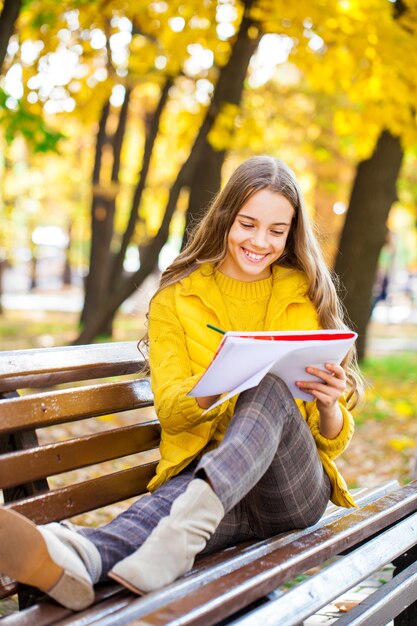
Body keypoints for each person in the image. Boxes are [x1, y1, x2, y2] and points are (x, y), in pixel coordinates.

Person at [0, 156, 363, 611]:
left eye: (276, 230)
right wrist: (223, 378)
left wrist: (330, 407)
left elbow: (329, 442)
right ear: (226, 217)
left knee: (265, 387)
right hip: (210, 484)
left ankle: (181, 523)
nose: (259, 241)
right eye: (248, 223)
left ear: (291, 234)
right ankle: (78, 558)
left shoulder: (304, 291)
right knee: (151, 526)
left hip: (289, 492)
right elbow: (172, 412)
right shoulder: (178, 299)